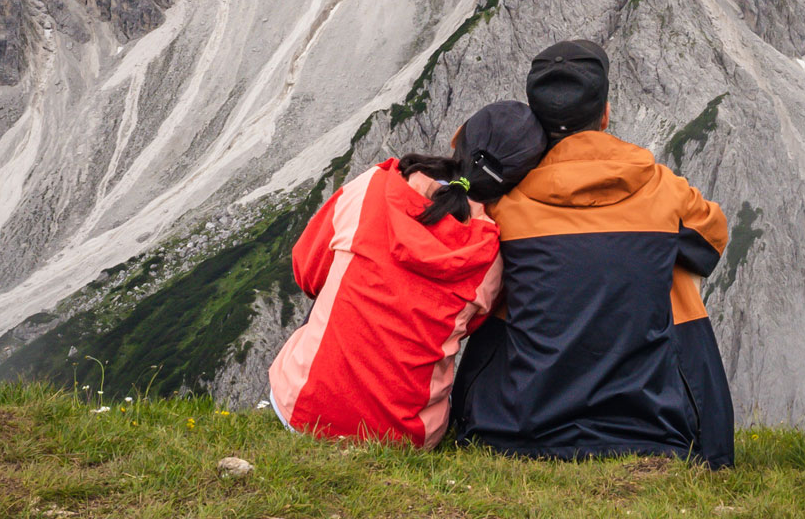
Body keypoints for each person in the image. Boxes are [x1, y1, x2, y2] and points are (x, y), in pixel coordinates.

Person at [452, 39, 735, 467]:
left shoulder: (505, 206)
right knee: (673, 268)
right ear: (604, 113)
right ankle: (693, 433)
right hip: (652, 433)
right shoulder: (662, 189)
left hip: (514, 429)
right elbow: (712, 241)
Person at [267, 99, 547, 446]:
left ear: (457, 137)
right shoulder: (492, 258)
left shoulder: (372, 186)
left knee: (336, 283)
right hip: (405, 437)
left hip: (303, 412)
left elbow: (306, 272)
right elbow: (469, 327)